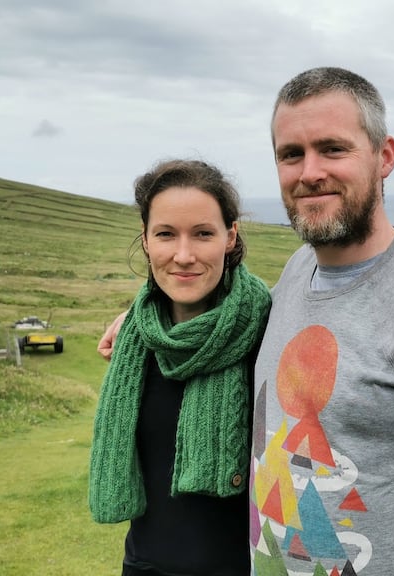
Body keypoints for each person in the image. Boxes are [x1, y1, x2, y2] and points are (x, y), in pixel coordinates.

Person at [100, 67, 394, 575]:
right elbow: (228, 312)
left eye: (333, 149)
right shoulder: (299, 273)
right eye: (291, 154)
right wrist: (143, 317)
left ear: (384, 156)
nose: (309, 172)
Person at [89, 159, 271, 576]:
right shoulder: (137, 339)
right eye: (166, 234)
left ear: (230, 236)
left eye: (203, 234)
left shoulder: (269, 330)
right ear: (146, 241)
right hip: (144, 565)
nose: (183, 255)